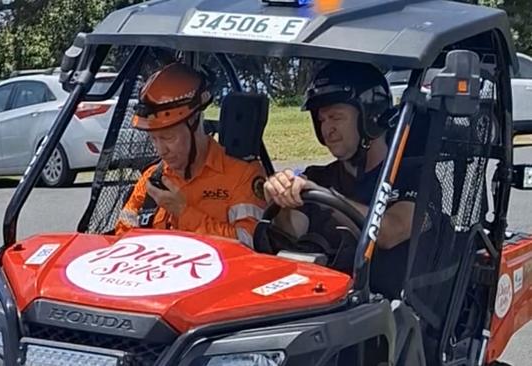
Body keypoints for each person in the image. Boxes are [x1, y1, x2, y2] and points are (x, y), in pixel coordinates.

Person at [263, 61, 420, 299]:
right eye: (321, 120)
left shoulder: (413, 177)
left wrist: (325, 197)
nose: (328, 129)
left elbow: (390, 232)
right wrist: (283, 198)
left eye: (336, 117)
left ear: (371, 116)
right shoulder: (318, 176)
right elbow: (293, 234)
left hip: (390, 311)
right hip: (324, 306)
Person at [115, 62, 267, 247]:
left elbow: (249, 244)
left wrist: (183, 212)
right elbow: (122, 236)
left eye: (169, 137)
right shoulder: (153, 179)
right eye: (154, 139)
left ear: (195, 122)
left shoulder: (242, 175)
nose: (161, 150)